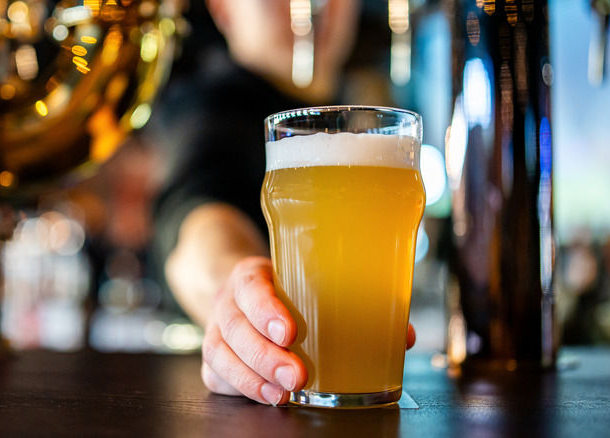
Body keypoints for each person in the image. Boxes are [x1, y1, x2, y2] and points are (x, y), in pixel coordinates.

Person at [149, 0, 415, 406]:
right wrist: (237, 294)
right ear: (223, 10)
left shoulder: (364, 110)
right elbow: (198, 219)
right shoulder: (213, 104)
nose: (311, 6)